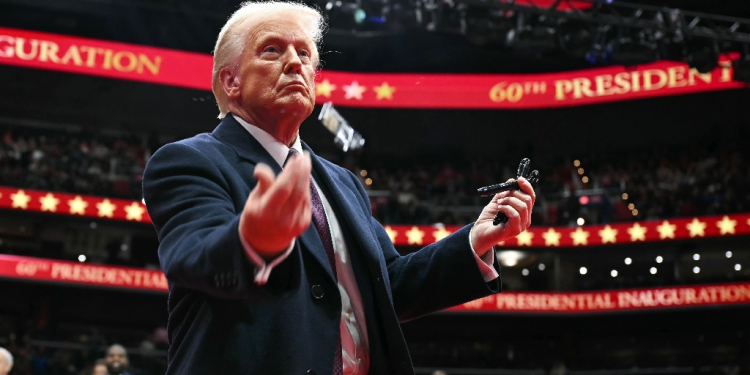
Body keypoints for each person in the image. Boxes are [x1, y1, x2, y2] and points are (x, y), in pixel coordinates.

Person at [142, 2, 536, 375]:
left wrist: (474, 242)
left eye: (305, 55)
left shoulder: (342, 182)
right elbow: (194, 257)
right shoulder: (188, 161)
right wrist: (252, 242)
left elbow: (387, 288)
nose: (295, 63)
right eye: (273, 50)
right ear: (231, 81)